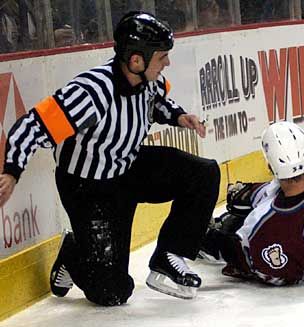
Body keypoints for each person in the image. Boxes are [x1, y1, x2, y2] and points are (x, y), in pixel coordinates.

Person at [0, 11, 220, 305]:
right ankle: (74, 253)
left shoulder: (149, 80)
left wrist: (179, 117)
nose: (167, 62)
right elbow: (31, 126)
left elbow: (156, 103)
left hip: (128, 165)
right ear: (136, 60)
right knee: (113, 292)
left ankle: (169, 254)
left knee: (203, 174)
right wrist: (12, 172)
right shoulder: (91, 92)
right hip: (89, 188)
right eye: (162, 57)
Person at [198, 121, 304, 285]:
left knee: (231, 230)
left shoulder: (267, 227)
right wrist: (254, 192)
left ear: (270, 167)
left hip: (298, 266)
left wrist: (205, 238)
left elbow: (241, 256)